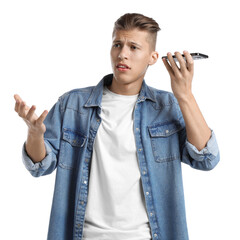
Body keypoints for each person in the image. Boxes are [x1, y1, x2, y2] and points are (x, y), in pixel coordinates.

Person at [14, 13, 220, 240]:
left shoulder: (167, 106)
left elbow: (206, 159)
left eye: (133, 47)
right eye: (117, 44)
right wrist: (34, 135)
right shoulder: (72, 105)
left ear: (152, 57)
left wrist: (185, 95)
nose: (122, 54)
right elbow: (39, 166)